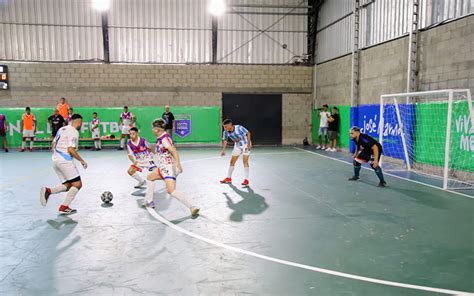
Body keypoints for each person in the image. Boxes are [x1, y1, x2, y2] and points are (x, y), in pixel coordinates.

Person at [143, 119, 199, 217]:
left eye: (153, 128)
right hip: (163, 168)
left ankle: (192, 206)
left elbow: (174, 151)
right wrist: (151, 148)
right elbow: (160, 152)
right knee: (150, 177)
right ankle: (149, 201)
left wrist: (178, 164)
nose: (152, 130)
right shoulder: (160, 138)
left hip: (169, 168)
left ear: (157, 129)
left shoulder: (165, 139)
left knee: (171, 191)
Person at [40, 114, 88, 215]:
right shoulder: (74, 132)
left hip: (56, 160)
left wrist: (57, 155)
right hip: (65, 161)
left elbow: (53, 144)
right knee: (78, 184)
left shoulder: (62, 129)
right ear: (79, 122)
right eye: (81, 122)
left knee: (69, 185)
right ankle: (64, 207)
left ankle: (48, 191)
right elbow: (70, 149)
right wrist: (81, 160)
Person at [219, 119, 252, 187]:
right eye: (224, 127)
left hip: (245, 145)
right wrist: (223, 150)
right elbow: (225, 141)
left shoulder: (239, 128)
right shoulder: (225, 132)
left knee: (245, 161)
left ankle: (246, 180)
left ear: (230, 125)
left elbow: (248, 133)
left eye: (226, 126)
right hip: (237, 146)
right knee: (232, 162)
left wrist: (248, 144)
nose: (224, 128)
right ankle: (228, 178)